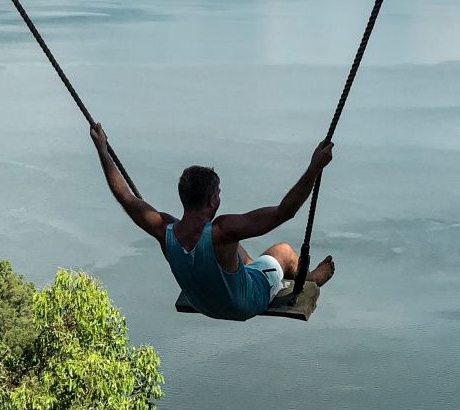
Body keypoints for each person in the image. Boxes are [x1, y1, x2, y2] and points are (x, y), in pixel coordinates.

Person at [89, 124, 336, 321]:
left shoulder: (163, 229)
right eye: (218, 193)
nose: (219, 197)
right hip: (244, 304)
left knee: (234, 250)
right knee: (283, 251)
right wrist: (314, 167)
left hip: (203, 303)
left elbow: (125, 196)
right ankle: (309, 278)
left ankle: (252, 268)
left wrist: (102, 151)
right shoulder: (223, 230)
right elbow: (284, 211)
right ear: (211, 201)